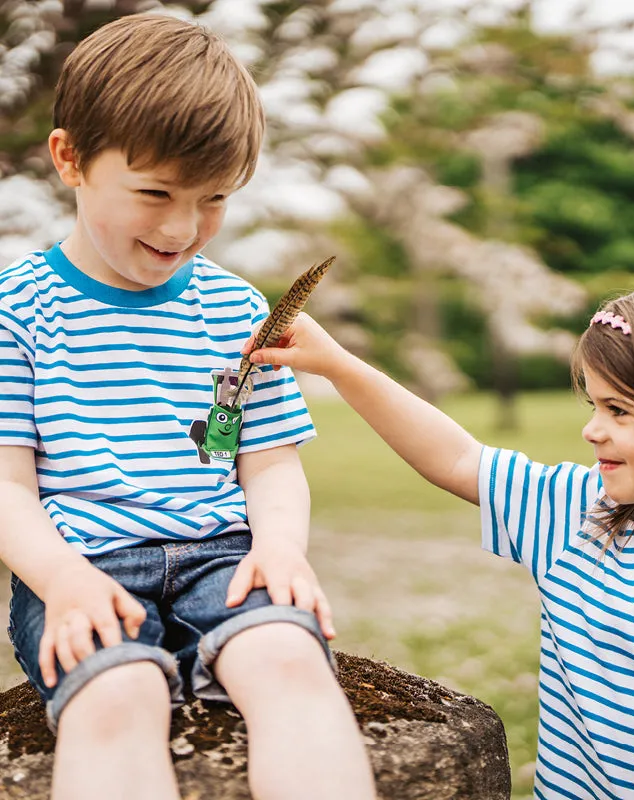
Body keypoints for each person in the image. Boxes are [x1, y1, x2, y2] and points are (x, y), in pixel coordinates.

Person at [0, 13, 375, 800]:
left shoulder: (235, 310)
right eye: (154, 193)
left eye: (214, 199)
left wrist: (280, 547)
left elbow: (268, 462)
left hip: (222, 556)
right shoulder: (16, 309)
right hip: (83, 564)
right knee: (117, 692)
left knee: (290, 661)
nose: (183, 227)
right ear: (70, 159)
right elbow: (7, 486)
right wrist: (62, 581)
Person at [243, 277, 634, 799]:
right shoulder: (577, 517)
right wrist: (337, 365)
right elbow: (459, 458)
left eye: (618, 410)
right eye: (593, 406)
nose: (592, 429)